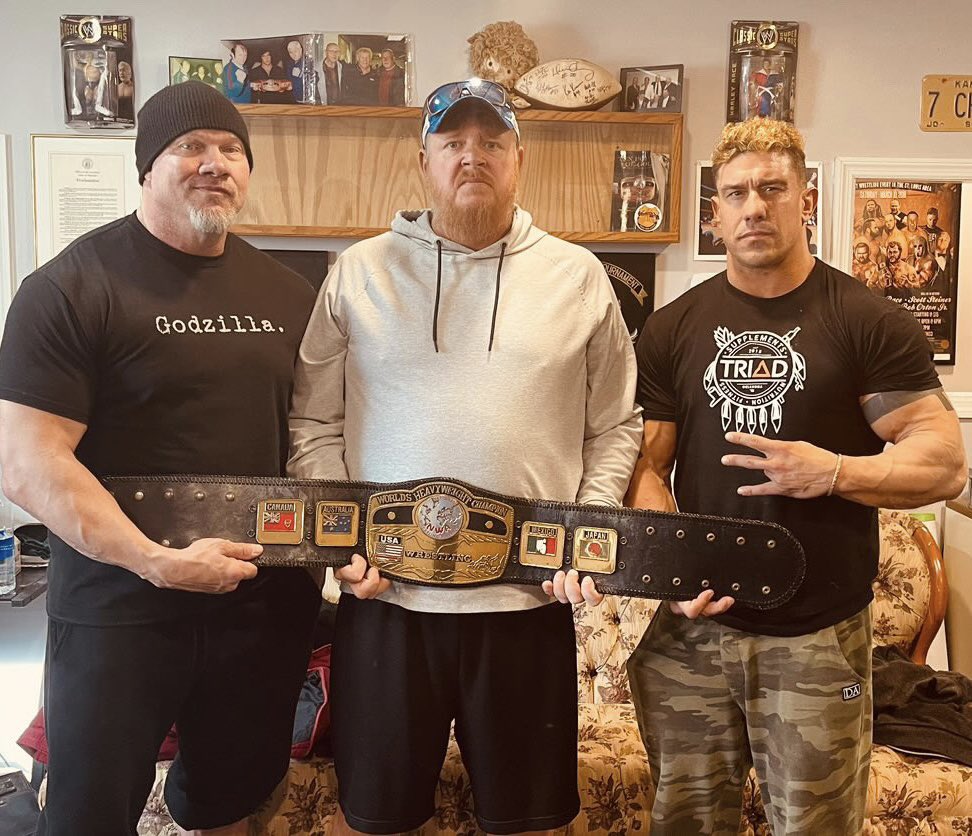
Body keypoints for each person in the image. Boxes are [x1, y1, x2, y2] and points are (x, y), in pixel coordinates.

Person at [287, 77, 642, 835]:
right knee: (376, 819)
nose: (471, 157)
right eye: (453, 143)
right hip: (386, 601)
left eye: (492, 142)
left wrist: (586, 531)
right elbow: (313, 425)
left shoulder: (579, 277)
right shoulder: (357, 273)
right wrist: (338, 539)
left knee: (531, 821)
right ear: (424, 160)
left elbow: (615, 426)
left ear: (520, 159)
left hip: (525, 601)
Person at [625, 117, 966, 835]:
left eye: (772, 188)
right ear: (715, 213)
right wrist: (673, 574)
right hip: (694, 635)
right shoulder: (673, 327)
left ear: (804, 198)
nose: (755, 206)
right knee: (681, 823)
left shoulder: (868, 319)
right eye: (737, 193)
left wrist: (835, 471)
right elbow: (647, 467)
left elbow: (943, 460)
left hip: (814, 635)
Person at [0, 81, 321, 836]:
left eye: (231, 150)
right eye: (191, 147)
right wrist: (153, 559)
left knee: (231, 802)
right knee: (88, 811)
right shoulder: (70, 288)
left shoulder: (290, 293)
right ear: (147, 165)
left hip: (258, 608)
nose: (214, 164)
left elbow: (314, 441)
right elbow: (26, 460)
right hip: (120, 609)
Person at [286, 39, 319, 104]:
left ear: (301, 50)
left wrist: (302, 75)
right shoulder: (289, 64)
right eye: (290, 52)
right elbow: (289, 81)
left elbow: (316, 79)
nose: (293, 54)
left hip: (307, 101)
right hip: (293, 100)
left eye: (295, 51)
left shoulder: (309, 62)